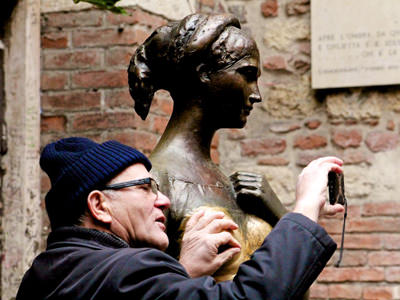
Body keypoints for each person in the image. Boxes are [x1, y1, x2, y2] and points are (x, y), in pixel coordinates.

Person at [16, 136, 344, 299]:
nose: (164, 200)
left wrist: (182, 272)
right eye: (145, 188)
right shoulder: (131, 269)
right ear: (100, 205)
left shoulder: (41, 276)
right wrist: (304, 210)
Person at [128, 13, 287, 281]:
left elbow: (293, 285)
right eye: (246, 75)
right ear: (204, 74)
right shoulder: (157, 183)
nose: (257, 94)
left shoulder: (232, 184)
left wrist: (281, 217)